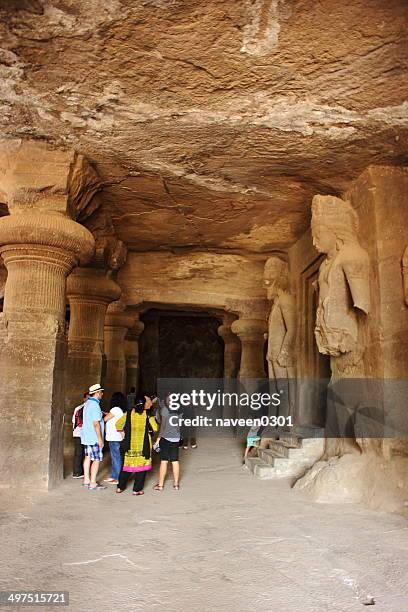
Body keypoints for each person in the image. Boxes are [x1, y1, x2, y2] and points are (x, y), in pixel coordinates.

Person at [115, 395, 158, 496]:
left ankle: (120, 487)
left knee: (126, 467)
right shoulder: (147, 415)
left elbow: (118, 424)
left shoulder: (128, 413)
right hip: (143, 446)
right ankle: (136, 490)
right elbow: (155, 428)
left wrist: (122, 433)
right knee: (141, 469)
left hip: (130, 445)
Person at [154, 395, 182, 491]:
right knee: (175, 461)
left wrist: (158, 439)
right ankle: (176, 485)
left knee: (164, 461)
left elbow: (163, 427)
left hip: (166, 438)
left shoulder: (165, 410)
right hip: (176, 438)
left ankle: (160, 485)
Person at [81, 383, 106, 491]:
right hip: (94, 437)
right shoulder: (95, 405)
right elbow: (96, 424)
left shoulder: (87, 403)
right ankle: (93, 483)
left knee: (87, 457)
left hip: (87, 436)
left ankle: (86, 480)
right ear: (97, 393)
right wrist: (100, 439)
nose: (102, 394)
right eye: (101, 392)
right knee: (96, 459)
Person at [103, 391, 126, 485]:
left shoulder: (115, 409)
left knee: (116, 458)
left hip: (114, 437)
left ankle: (117, 478)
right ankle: (114, 476)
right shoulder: (119, 410)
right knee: (115, 457)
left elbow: (105, 419)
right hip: (116, 437)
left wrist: (102, 414)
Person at [72, 391, 88, 478]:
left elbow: (73, 421)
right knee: (82, 453)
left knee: (79, 453)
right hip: (82, 433)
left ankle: (78, 471)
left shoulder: (77, 408)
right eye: (87, 398)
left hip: (77, 432)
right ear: (84, 398)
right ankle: (78, 472)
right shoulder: (85, 408)